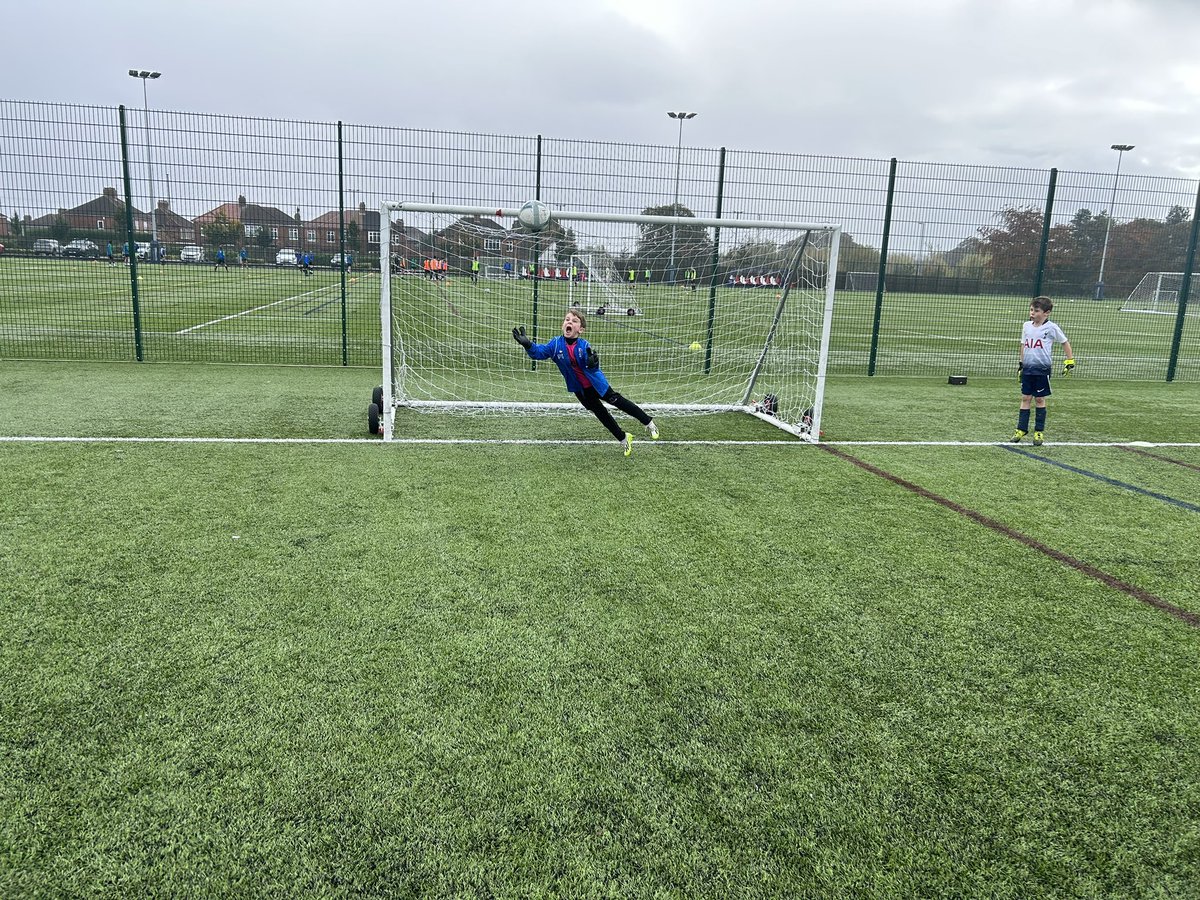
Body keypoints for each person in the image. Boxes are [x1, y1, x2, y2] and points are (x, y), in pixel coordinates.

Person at [512, 309, 658, 457]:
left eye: (574, 321)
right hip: (580, 390)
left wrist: (593, 363)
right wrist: (528, 345)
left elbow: (592, 365)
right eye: (567, 319)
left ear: (580, 330)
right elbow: (539, 352)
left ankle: (649, 423)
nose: (569, 322)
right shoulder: (555, 344)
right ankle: (624, 438)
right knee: (601, 414)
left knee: (619, 402)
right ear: (563, 325)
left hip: (597, 385)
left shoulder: (584, 345)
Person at [1012, 296, 1075, 446]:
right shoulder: (1026, 326)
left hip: (1042, 370)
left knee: (1039, 399)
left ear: (1046, 313)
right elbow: (1023, 345)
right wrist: (1021, 364)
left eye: (1036, 310)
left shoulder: (1051, 328)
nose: (1032, 313)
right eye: (1031, 310)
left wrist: (1070, 360)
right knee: (1025, 398)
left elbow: (1064, 342)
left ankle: (1039, 431)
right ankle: (1021, 429)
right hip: (1028, 369)